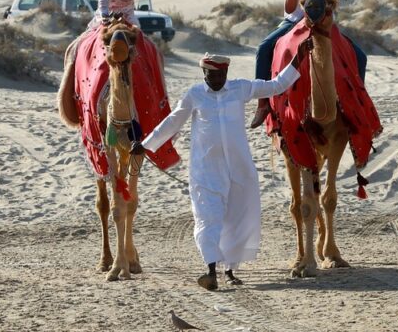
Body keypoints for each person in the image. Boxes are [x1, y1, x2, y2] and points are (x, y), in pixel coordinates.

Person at [131, 40, 314, 290]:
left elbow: (277, 85)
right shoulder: (194, 95)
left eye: (218, 75)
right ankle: (210, 271)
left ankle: (229, 270)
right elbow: (173, 121)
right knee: (208, 219)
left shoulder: (240, 89)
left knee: (236, 220)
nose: (214, 80)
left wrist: (298, 58)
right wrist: (146, 144)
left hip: (239, 169)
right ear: (203, 73)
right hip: (205, 171)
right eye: (210, 75)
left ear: (226, 73)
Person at [249, 0, 365, 128]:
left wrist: (320, 1)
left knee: (360, 56)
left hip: (322, 23)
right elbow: (288, 8)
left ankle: (358, 104)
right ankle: (262, 104)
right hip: (294, 21)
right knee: (264, 48)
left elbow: (333, 1)